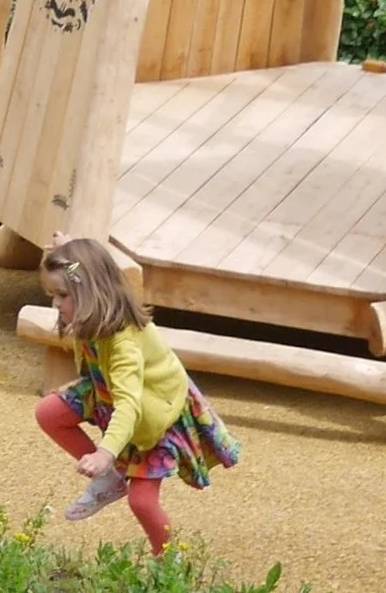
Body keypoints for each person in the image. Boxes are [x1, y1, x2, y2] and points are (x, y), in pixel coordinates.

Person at [34, 237, 240, 556]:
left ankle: (169, 565)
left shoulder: (123, 343)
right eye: (53, 295)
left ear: (91, 293)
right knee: (50, 413)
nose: (56, 305)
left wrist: (104, 453)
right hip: (110, 393)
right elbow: (89, 266)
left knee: (142, 502)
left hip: (151, 417)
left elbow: (129, 405)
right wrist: (65, 248)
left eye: (62, 295)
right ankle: (113, 478)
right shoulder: (93, 313)